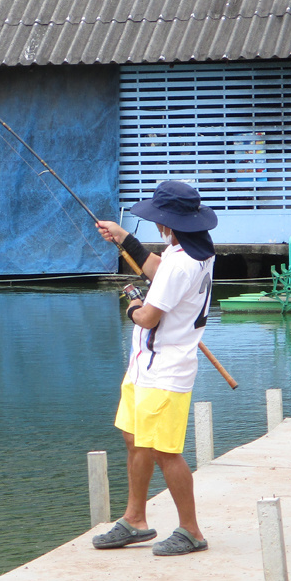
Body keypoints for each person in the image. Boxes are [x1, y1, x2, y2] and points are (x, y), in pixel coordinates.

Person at [91, 181, 217, 556]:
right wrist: (125, 238)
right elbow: (158, 269)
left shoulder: (182, 263)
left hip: (166, 370)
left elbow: (147, 317)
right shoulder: (192, 250)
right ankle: (135, 520)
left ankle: (191, 531)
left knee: (165, 451)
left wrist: (131, 303)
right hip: (144, 366)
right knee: (134, 437)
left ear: (167, 222)